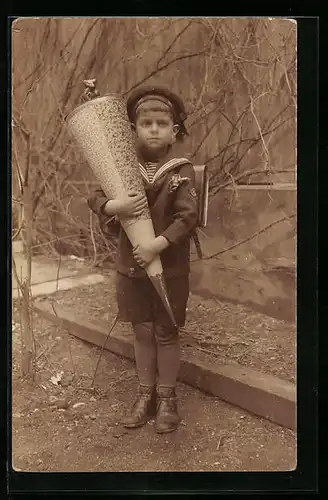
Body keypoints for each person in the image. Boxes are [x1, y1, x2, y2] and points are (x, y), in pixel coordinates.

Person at [87, 85, 198, 434]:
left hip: (170, 266)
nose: (153, 129)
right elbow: (95, 197)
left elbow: (188, 217)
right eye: (146, 123)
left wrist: (156, 244)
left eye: (161, 123)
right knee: (142, 330)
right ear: (133, 129)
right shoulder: (120, 166)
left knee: (166, 331)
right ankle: (144, 394)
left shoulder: (181, 170)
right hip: (131, 268)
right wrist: (112, 206)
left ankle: (167, 399)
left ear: (174, 130)